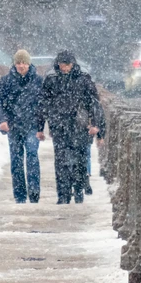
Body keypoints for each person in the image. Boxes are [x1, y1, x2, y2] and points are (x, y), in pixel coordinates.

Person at [39, 50, 105, 204]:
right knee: (61, 161)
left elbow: (94, 102)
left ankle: (78, 189)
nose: (64, 67)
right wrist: (40, 127)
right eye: (62, 64)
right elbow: (43, 105)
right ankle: (63, 194)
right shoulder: (51, 80)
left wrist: (95, 123)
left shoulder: (83, 79)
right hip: (59, 126)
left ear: (73, 64)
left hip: (79, 126)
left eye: (67, 64)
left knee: (80, 160)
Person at [0, 50, 43, 204]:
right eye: (18, 62)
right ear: (14, 64)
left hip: (32, 125)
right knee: (16, 159)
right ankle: (20, 195)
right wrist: (1, 120)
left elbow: (44, 104)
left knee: (32, 155)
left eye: (24, 63)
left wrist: (42, 124)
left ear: (29, 63)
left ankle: (34, 191)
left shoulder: (38, 81)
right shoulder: (6, 81)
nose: (21, 66)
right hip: (13, 126)